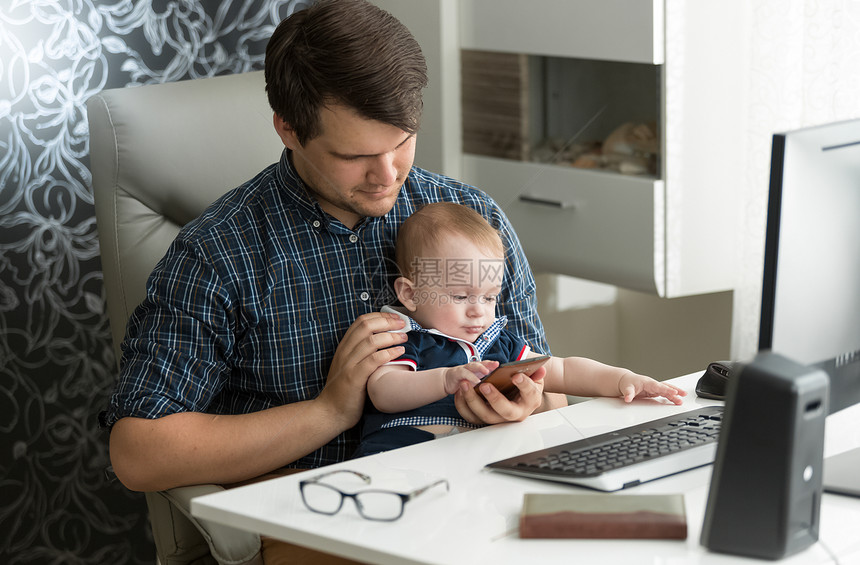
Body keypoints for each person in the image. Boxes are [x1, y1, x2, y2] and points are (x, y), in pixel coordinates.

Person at [101, 1, 564, 562]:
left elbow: (549, 387)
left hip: (474, 498)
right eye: (356, 156)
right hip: (320, 513)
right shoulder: (218, 254)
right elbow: (139, 453)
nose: (388, 175)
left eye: (402, 142)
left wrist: (525, 403)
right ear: (289, 130)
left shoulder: (471, 218)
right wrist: (330, 410)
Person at [356, 202, 687, 457]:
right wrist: (444, 380)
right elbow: (383, 391)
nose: (478, 311)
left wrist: (621, 380)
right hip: (401, 453)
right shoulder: (402, 337)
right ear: (410, 294)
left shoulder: (497, 341)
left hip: (468, 460)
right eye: (460, 296)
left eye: (489, 297)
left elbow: (562, 368)